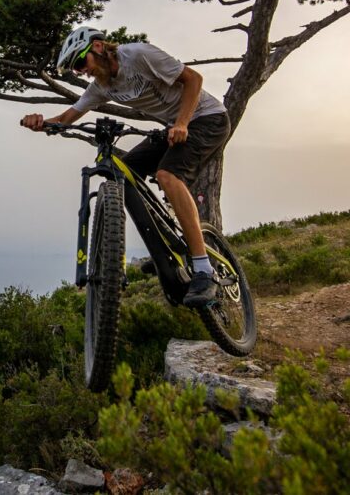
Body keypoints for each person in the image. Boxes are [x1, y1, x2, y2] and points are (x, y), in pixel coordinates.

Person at [21, 26, 231, 307]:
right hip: (174, 127)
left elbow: (193, 78)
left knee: (167, 174)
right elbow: (69, 116)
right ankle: (164, 243)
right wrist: (42, 123)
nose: (81, 72)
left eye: (80, 63)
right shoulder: (102, 87)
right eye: (75, 70)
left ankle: (204, 270)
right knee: (123, 173)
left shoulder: (139, 55)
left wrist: (181, 123)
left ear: (97, 47)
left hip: (208, 118)